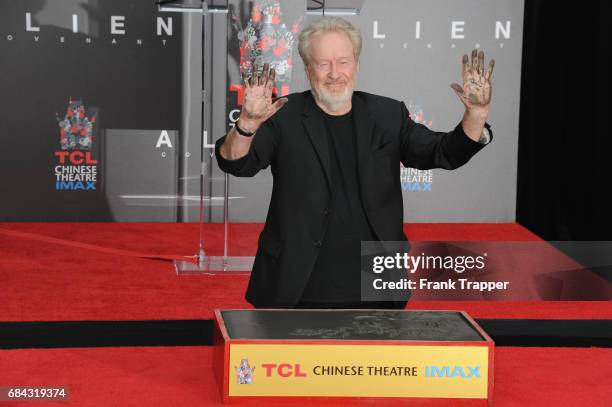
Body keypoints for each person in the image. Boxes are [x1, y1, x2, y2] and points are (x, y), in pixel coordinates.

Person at [215, 17, 494, 309]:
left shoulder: (387, 114)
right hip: (295, 284)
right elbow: (237, 163)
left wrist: (476, 115)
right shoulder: (284, 115)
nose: (335, 73)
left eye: (343, 62)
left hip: (375, 285)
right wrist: (246, 123)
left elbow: (442, 152)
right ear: (308, 70)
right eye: (323, 63)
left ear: (356, 65)